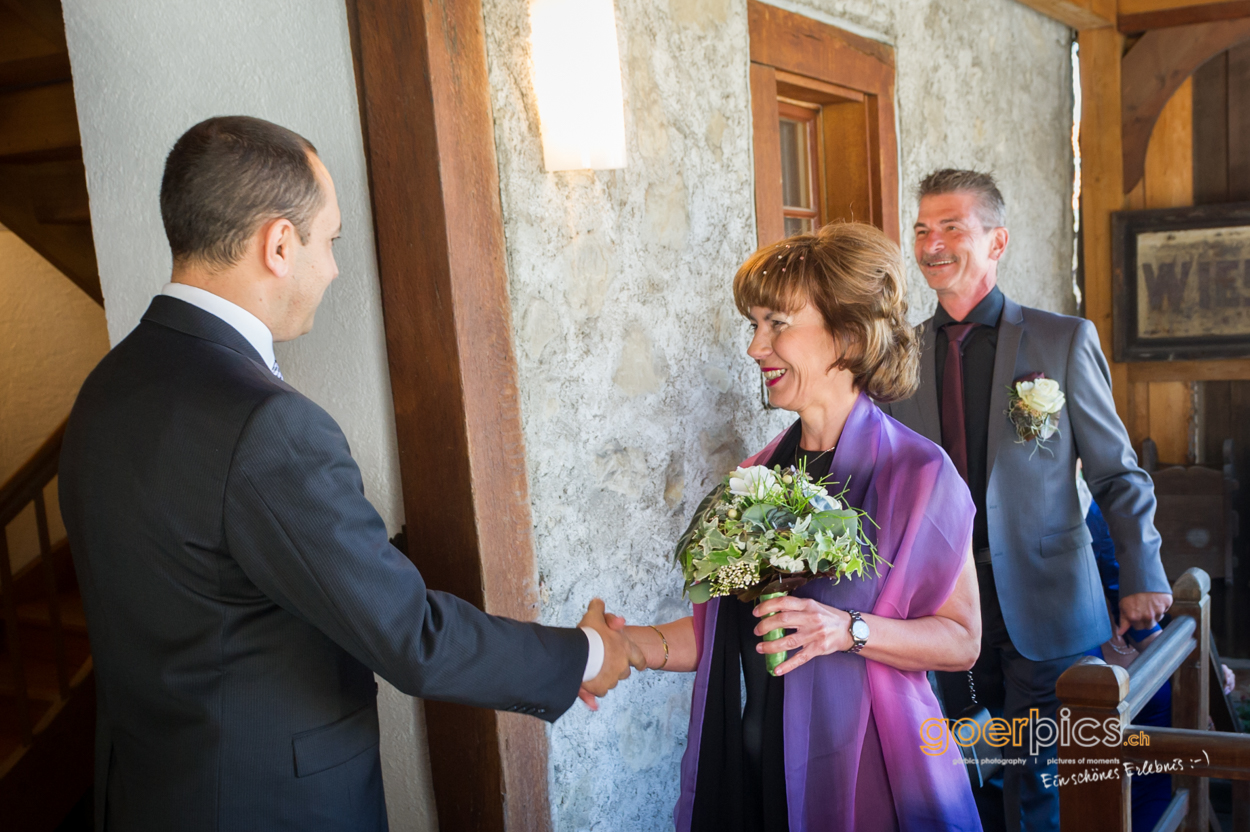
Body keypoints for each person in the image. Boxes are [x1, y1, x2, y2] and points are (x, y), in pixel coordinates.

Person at [58, 116, 643, 832]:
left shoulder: (107, 387)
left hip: (149, 795)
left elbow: (216, 565)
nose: (333, 266)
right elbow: (412, 641)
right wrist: (585, 654)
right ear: (279, 244)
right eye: (329, 239)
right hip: (270, 808)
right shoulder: (267, 424)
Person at [617, 223, 984, 831]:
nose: (755, 347)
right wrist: (632, 646)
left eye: (777, 324)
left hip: (873, 776)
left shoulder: (919, 475)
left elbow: (960, 640)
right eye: (753, 325)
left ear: (846, 332)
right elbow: (727, 628)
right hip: (758, 777)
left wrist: (848, 630)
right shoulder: (756, 474)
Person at [882, 169, 1172, 832]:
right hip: (944, 603)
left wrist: (1142, 572)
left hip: (1047, 602)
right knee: (964, 769)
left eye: (951, 227)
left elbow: (1116, 473)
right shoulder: (897, 357)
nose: (931, 243)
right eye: (923, 229)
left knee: (1043, 782)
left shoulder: (1062, 339)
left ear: (997, 241)